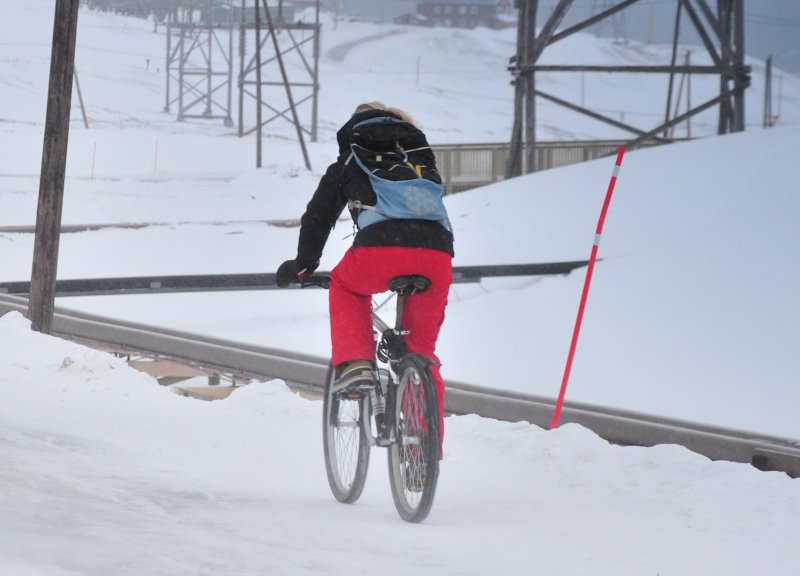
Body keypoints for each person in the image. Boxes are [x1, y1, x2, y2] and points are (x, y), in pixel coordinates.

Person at [276, 101, 454, 444]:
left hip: (380, 251)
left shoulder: (350, 161)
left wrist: (302, 264)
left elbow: (319, 217)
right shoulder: (420, 159)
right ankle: (422, 456)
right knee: (421, 354)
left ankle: (356, 364)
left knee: (344, 285)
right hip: (437, 255)